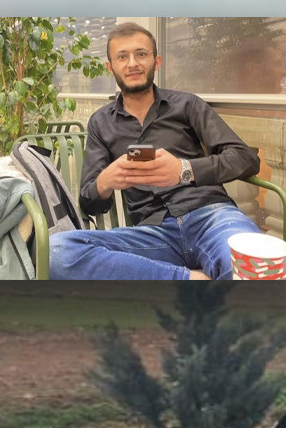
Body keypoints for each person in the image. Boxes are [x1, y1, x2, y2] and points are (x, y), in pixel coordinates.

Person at [50, 22, 266, 281]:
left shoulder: (187, 105)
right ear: (110, 67)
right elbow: (90, 203)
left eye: (141, 54)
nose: (132, 63)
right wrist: (105, 181)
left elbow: (245, 158)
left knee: (253, 264)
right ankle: (191, 279)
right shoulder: (101, 122)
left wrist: (184, 170)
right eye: (122, 57)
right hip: (152, 234)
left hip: (211, 217)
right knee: (57, 252)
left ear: (156, 61)